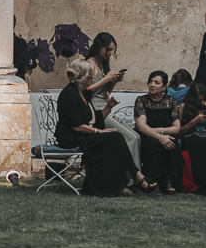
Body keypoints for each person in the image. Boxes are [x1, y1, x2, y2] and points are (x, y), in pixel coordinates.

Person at [55, 58, 153, 196]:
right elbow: (77, 126)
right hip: (71, 137)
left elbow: (95, 119)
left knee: (115, 138)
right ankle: (135, 177)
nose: (92, 80)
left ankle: (121, 183)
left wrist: (109, 106)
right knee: (115, 137)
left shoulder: (82, 93)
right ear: (82, 78)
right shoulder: (69, 94)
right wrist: (99, 131)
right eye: (90, 78)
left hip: (84, 134)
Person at [85, 32, 139, 166]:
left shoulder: (103, 64)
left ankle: (134, 177)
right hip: (96, 112)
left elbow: (104, 93)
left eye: (112, 50)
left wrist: (113, 82)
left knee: (136, 137)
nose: (110, 53)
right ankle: (131, 181)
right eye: (108, 49)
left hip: (106, 108)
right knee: (131, 138)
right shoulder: (89, 64)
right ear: (98, 47)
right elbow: (86, 91)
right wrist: (106, 79)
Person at [133, 70, 182, 193]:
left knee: (173, 144)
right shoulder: (142, 100)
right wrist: (160, 137)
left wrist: (161, 132)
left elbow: (176, 127)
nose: (152, 85)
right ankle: (151, 181)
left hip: (164, 135)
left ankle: (169, 181)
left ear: (164, 86)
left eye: (157, 82)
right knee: (152, 144)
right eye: (150, 82)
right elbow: (141, 126)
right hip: (146, 136)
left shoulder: (170, 101)